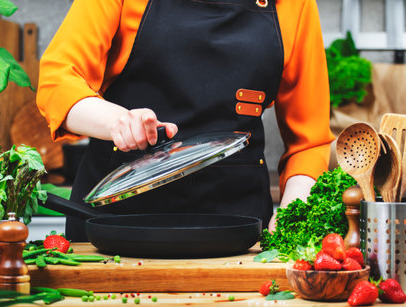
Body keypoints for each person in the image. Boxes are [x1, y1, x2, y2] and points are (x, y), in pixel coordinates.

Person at [37, 0, 335, 241]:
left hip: (240, 231)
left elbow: (310, 143)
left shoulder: (294, 5)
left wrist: (294, 209)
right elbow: (58, 82)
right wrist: (117, 121)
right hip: (114, 227)